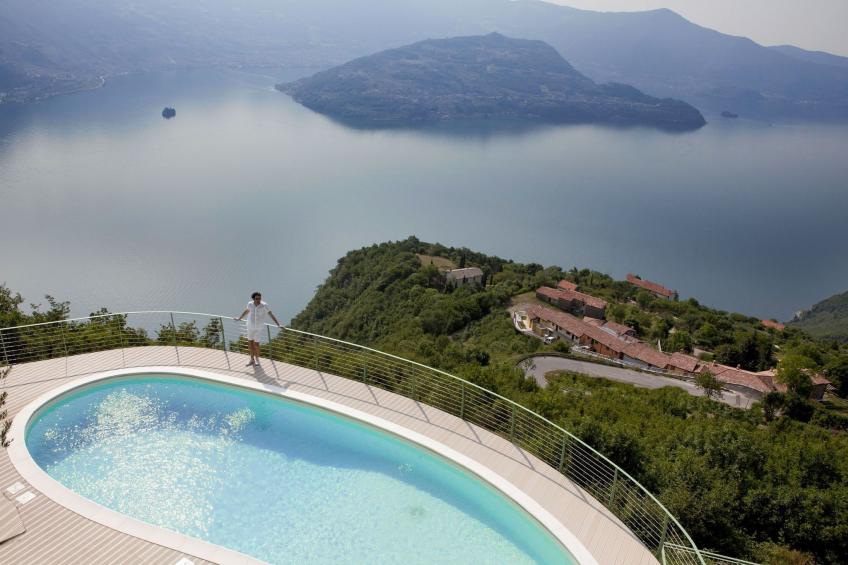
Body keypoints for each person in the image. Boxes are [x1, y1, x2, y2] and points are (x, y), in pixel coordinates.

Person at [235, 292, 282, 366]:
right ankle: (251, 359)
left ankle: (257, 359)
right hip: (250, 326)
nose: (258, 300)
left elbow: (270, 314)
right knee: (250, 343)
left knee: (256, 344)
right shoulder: (250, 304)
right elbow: (247, 311)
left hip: (259, 327)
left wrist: (278, 324)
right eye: (257, 298)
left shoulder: (264, 305)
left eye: (260, 298)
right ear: (253, 299)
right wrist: (239, 318)